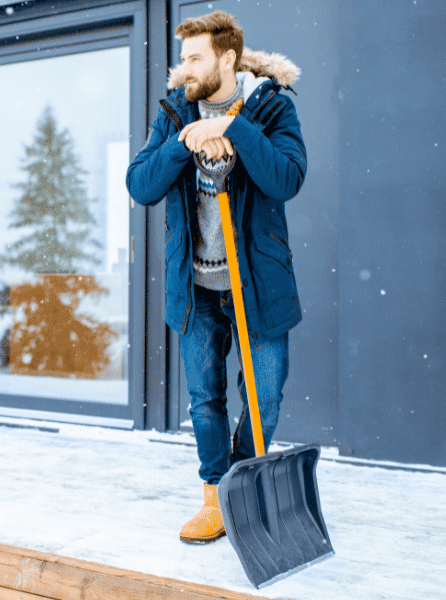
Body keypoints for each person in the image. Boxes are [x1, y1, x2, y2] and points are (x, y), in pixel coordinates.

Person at [126, 11, 306, 543]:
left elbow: (286, 178)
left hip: (258, 283)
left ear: (227, 58)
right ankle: (216, 494)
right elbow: (140, 184)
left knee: (265, 395)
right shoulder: (174, 109)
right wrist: (183, 140)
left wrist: (235, 128)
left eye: (195, 58)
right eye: (182, 59)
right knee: (205, 398)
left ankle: (243, 482)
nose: (184, 69)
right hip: (197, 287)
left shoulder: (271, 106)